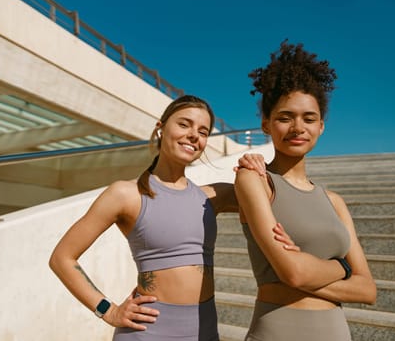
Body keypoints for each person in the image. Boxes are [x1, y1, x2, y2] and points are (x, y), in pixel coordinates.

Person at [49, 95, 295, 341]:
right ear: (161, 128)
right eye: (184, 124)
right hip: (148, 332)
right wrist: (108, 310)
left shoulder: (214, 195)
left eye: (203, 131)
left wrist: (257, 166)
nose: (193, 135)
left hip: (205, 331)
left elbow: (276, 198)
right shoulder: (125, 194)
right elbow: (62, 258)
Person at [234, 40, 377, 340]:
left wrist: (313, 269)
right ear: (266, 124)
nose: (298, 127)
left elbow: (368, 290)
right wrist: (343, 267)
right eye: (285, 117)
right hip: (277, 330)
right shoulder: (255, 180)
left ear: (321, 126)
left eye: (309, 118)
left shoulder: (334, 201)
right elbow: (294, 273)